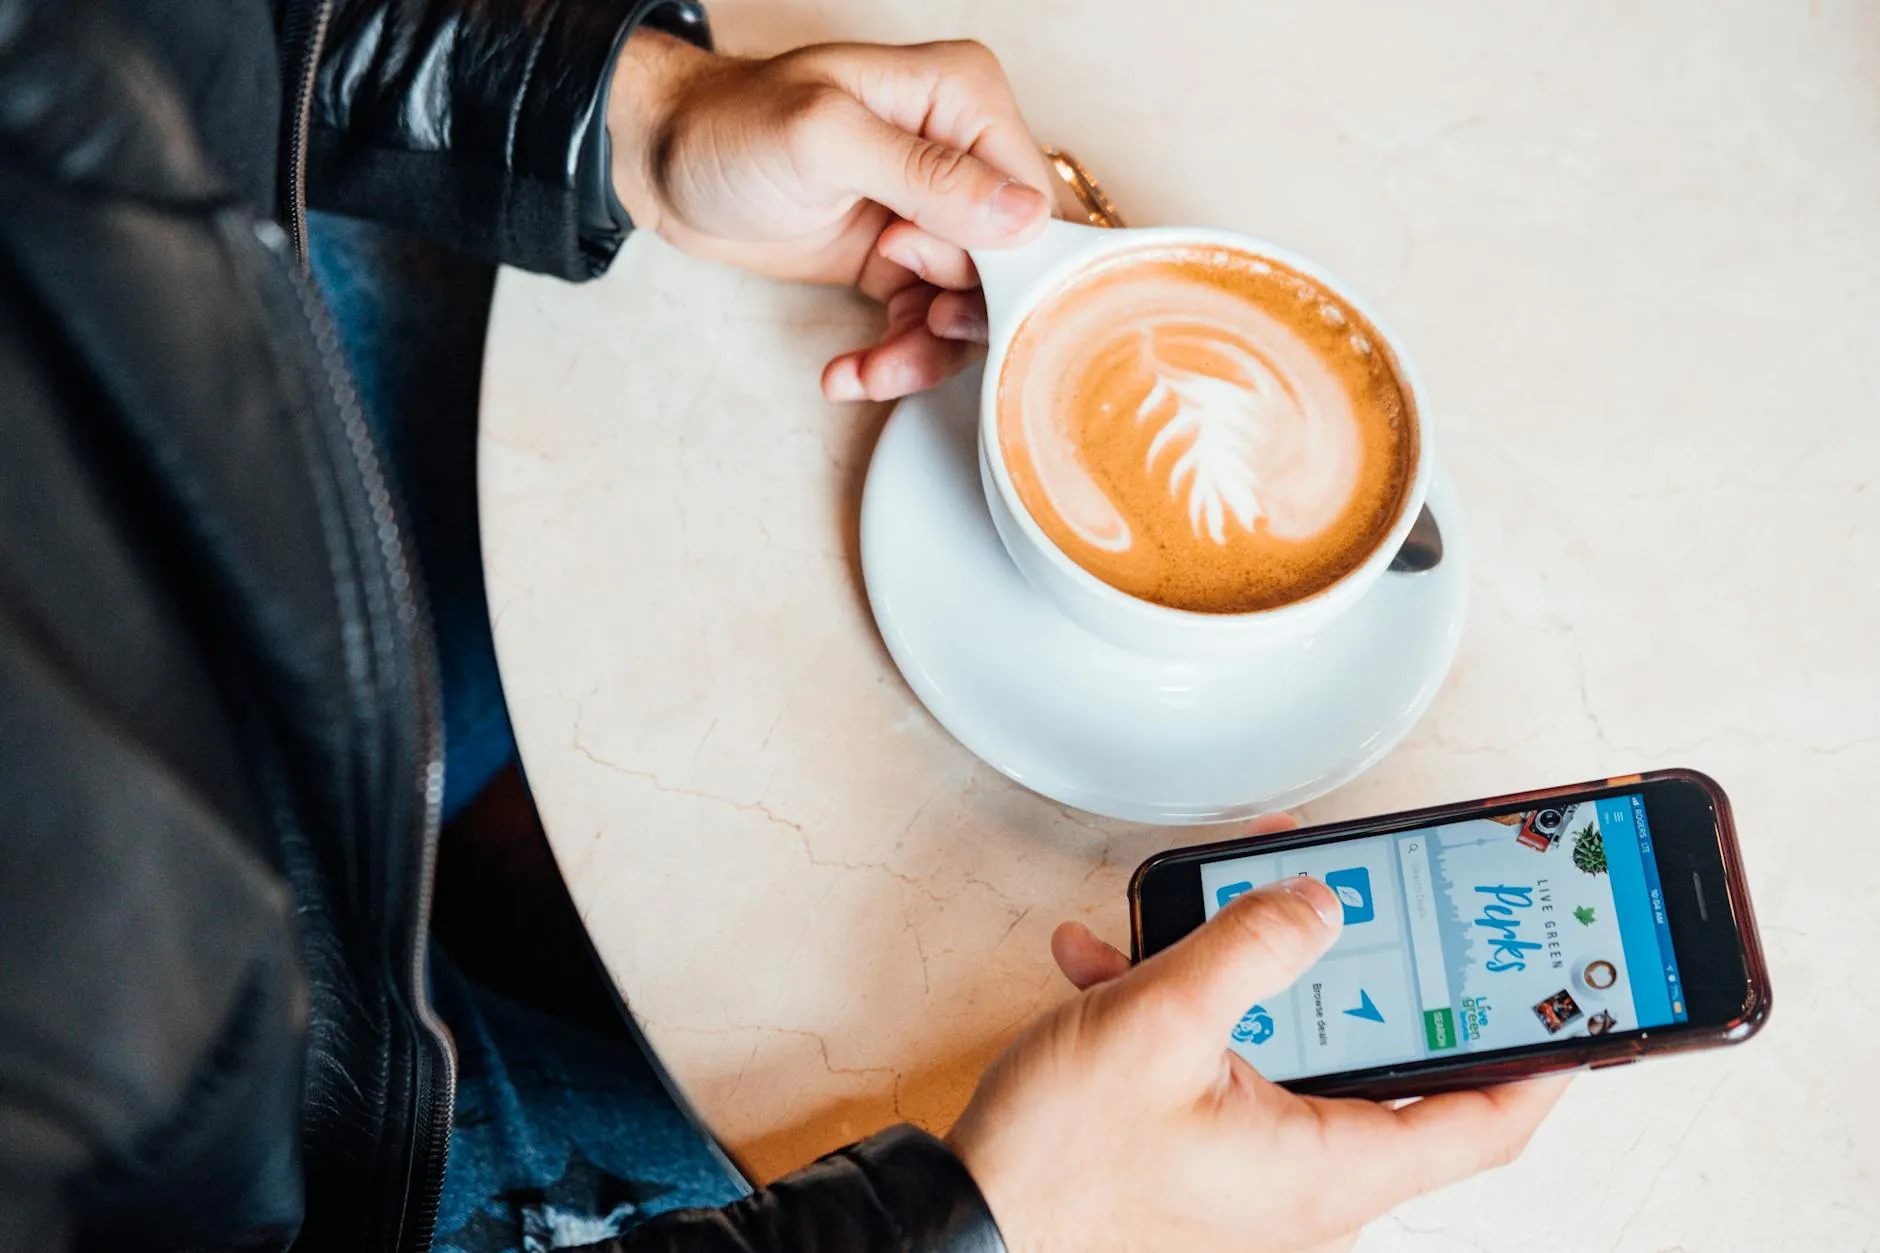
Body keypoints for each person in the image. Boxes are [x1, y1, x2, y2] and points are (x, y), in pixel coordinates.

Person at [0, 1, 1565, 1250]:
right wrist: (995, 1218)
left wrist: (630, 117)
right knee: (836, 1112)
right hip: (259, 1167)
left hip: (180, 573)